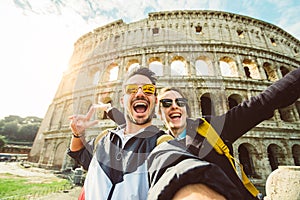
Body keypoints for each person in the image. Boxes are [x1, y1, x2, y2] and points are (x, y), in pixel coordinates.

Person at [68, 67, 240, 200]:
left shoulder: (162, 143)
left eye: (148, 90)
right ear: (122, 100)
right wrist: (78, 134)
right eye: (132, 89)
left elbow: (180, 170)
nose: (140, 93)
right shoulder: (104, 138)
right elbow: (79, 153)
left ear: (155, 102)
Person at [147, 67, 300, 199]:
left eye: (180, 102)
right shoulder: (158, 146)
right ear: (159, 114)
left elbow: (263, 102)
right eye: (166, 103)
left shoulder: (212, 128)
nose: (174, 106)